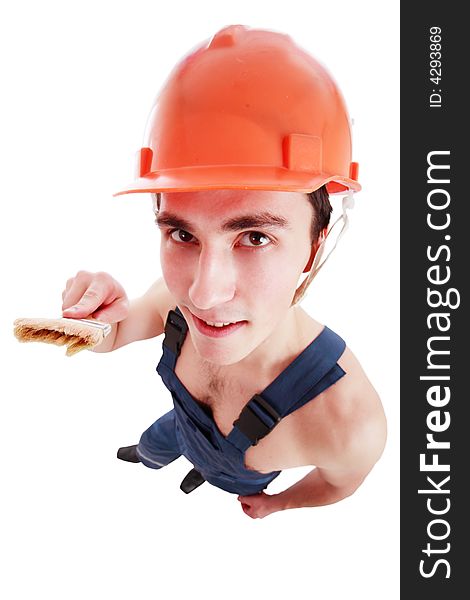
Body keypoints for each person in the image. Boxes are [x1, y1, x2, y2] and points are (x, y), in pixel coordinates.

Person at [61, 25, 386, 519]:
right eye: (183, 234)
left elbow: (340, 484)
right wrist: (93, 323)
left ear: (315, 246)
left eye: (255, 237)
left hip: (240, 476)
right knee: (155, 443)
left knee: (212, 465)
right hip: (179, 426)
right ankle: (149, 460)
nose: (203, 294)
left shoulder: (348, 422)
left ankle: (199, 471)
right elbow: (116, 330)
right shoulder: (173, 302)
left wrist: (277, 503)